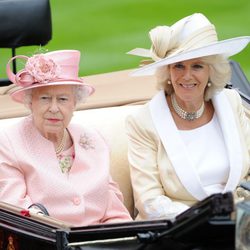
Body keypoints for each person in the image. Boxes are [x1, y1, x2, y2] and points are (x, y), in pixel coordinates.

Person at [126, 13, 250, 220]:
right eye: (179, 66)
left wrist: (239, 213)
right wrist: (206, 218)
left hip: (238, 224)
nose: (186, 76)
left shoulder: (231, 101)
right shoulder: (142, 122)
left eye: (197, 66)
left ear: (212, 70)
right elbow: (149, 201)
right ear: (168, 71)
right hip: (178, 231)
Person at [0, 49, 132, 226]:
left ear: (74, 103)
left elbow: (115, 212)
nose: (54, 108)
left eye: (62, 99)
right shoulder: (9, 142)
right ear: (30, 102)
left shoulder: (93, 139)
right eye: (45, 98)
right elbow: (15, 211)